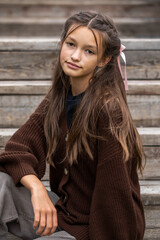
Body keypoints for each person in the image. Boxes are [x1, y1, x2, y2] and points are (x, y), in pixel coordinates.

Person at [0, 11, 146, 240]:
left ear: (104, 60)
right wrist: (37, 189)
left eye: (89, 51)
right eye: (70, 44)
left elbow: (114, 200)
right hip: (60, 215)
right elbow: (17, 149)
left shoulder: (108, 111)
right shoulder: (59, 97)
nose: (75, 56)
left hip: (92, 230)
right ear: (62, 43)